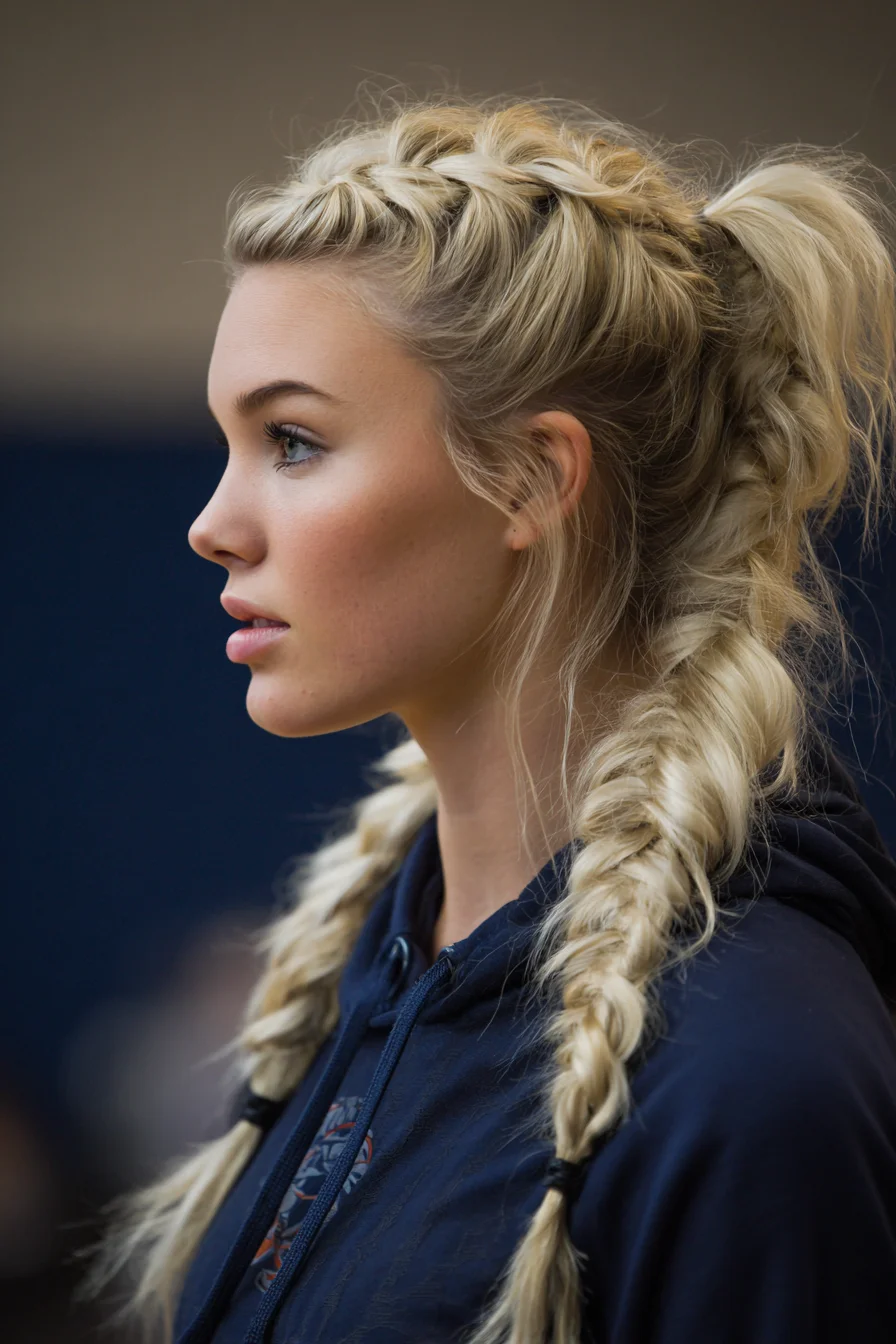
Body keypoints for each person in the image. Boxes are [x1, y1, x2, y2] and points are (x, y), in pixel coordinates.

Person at [78, 91, 896, 1343]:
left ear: (530, 474)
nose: (212, 522)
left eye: (291, 441)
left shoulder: (756, 1078)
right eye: (228, 443)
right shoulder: (388, 948)